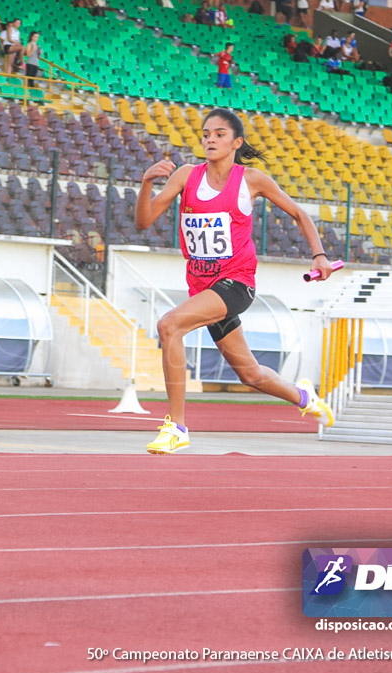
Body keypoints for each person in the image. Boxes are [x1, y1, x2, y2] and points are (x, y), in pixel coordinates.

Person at [134, 108, 335, 454]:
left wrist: (319, 256)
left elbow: (299, 214)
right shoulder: (185, 176)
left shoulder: (252, 179)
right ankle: (304, 396)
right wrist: (146, 183)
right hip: (203, 287)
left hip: (237, 282)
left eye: (219, 134)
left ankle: (176, 426)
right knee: (250, 374)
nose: (210, 138)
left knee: (169, 326)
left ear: (236, 142)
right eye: (206, 133)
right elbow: (144, 221)